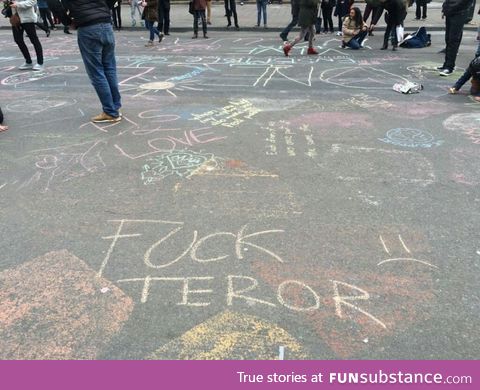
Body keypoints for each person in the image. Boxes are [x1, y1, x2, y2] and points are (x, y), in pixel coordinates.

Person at [62, 0, 122, 123]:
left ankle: (110, 112)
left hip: (88, 26)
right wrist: (104, 9)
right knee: (109, 68)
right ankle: (115, 107)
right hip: (106, 23)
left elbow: (53, 4)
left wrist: (68, 21)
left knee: (96, 72)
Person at [437, 0, 473, 76]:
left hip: (459, 12)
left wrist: (449, 8)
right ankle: (447, 64)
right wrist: (445, 9)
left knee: (453, 40)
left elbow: (463, 2)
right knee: (448, 39)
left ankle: (449, 66)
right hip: (452, 11)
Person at [9, 0, 44, 71]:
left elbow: (33, 1)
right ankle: (28, 61)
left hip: (27, 19)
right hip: (16, 18)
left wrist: (18, 4)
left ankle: (40, 63)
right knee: (18, 40)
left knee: (34, 40)